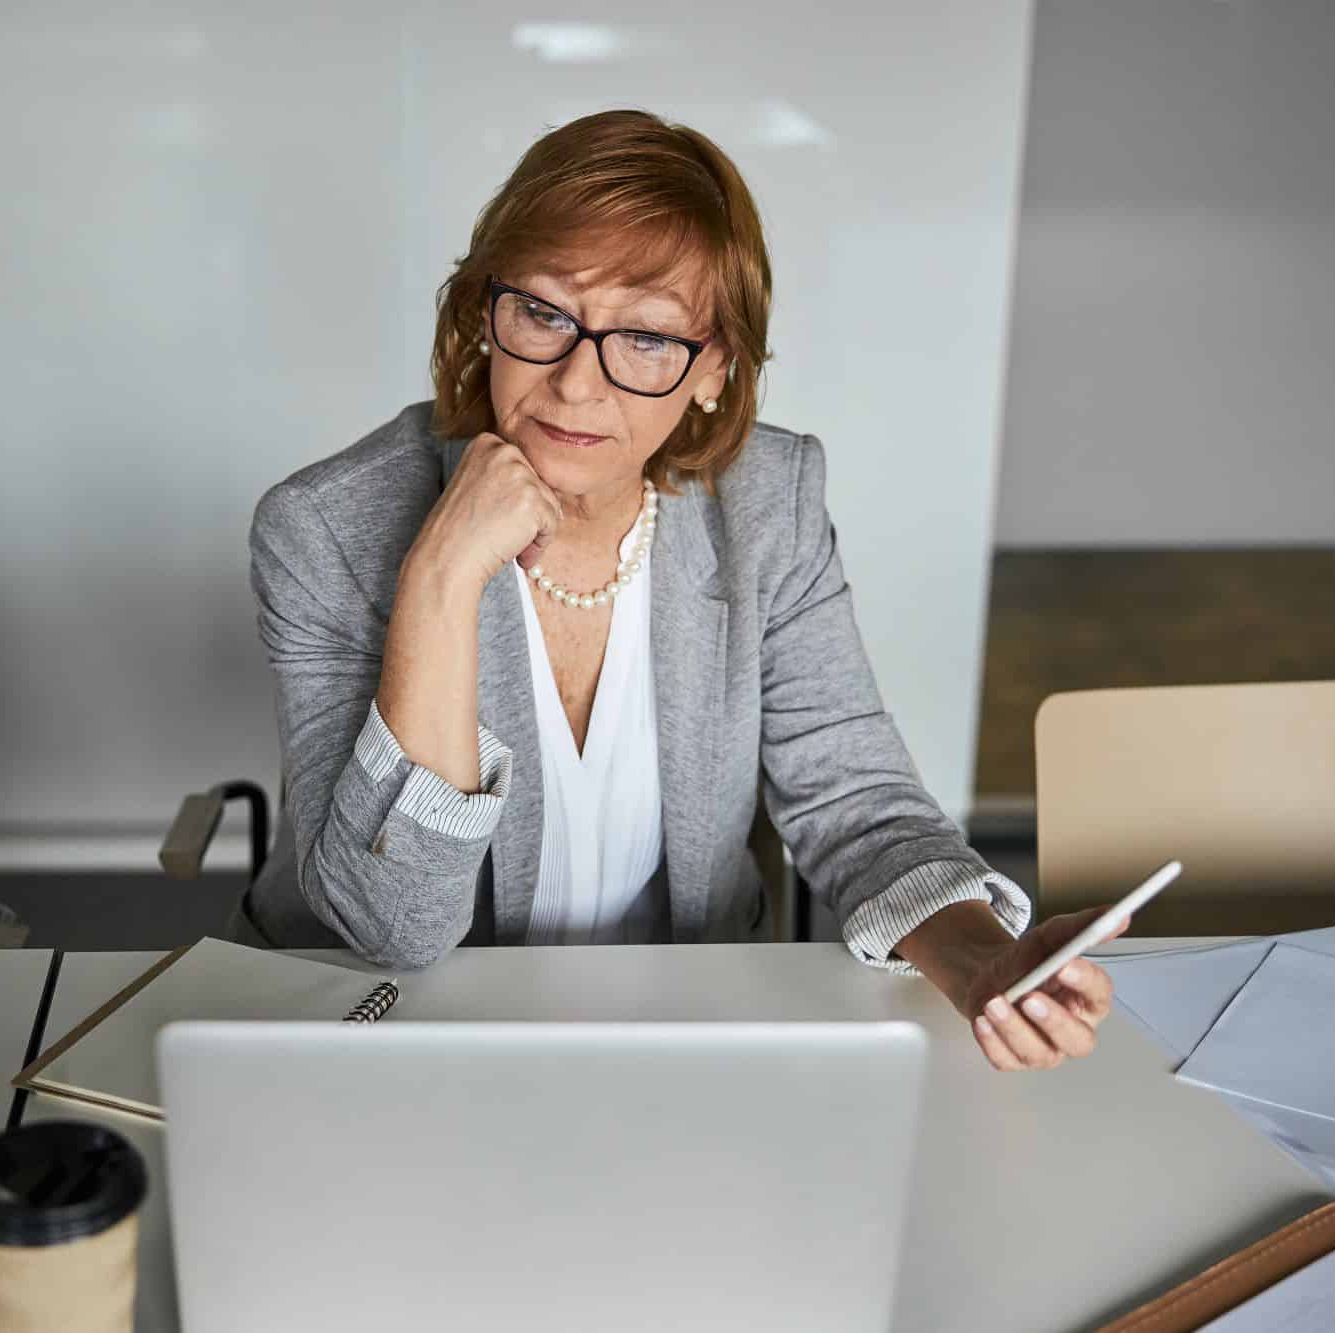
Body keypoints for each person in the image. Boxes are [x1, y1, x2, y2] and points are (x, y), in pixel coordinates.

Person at [233, 108, 1124, 1072]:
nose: (577, 383)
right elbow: (389, 926)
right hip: (389, 1035)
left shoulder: (767, 506)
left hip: (687, 1027)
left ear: (714, 370)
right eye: (542, 312)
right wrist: (440, 580)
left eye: (648, 338)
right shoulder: (326, 526)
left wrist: (982, 962)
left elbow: (857, 800)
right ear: (480, 313)